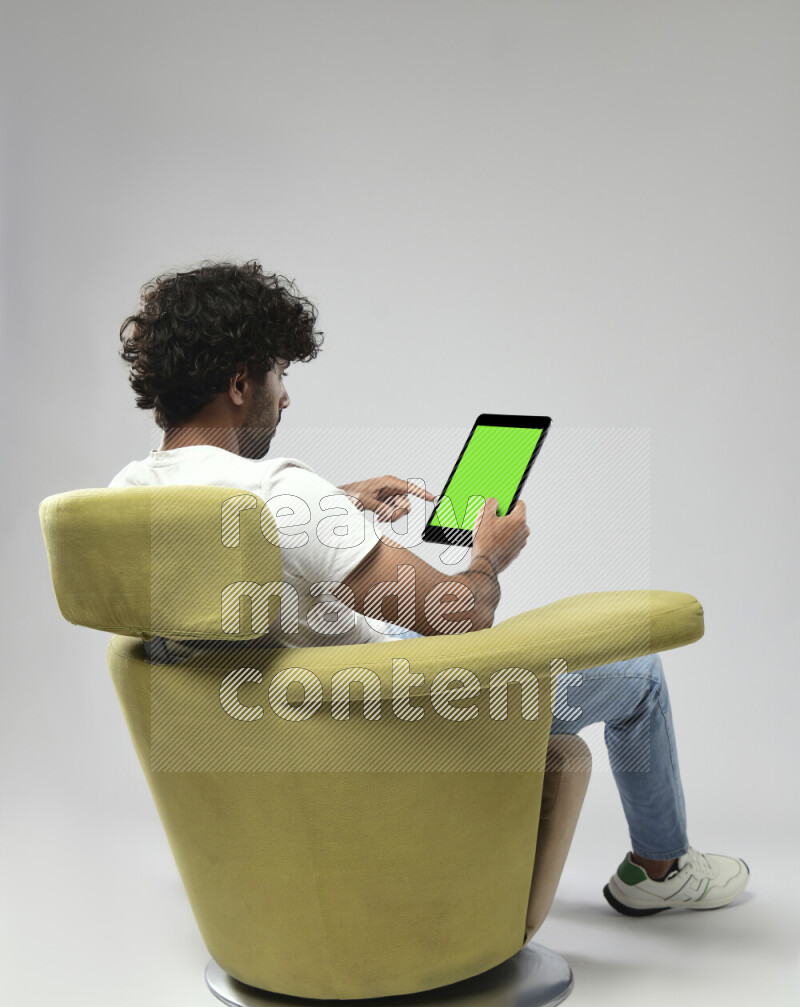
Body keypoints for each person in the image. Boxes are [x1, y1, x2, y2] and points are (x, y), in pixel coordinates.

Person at [109, 259, 750, 917]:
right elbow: (460, 618)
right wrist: (488, 557)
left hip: (263, 730)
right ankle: (662, 868)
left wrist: (337, 505)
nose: (286, 395)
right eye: (279, 373)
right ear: (240, 384)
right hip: (381, 713)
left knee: (422, 624)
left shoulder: (123, 498)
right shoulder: (279, 491)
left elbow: (234, 544)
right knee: (638, 668)